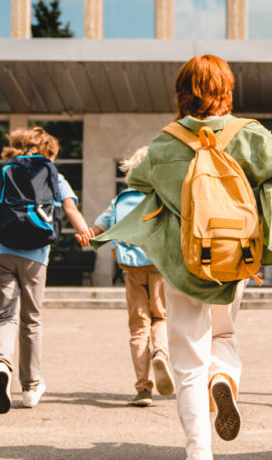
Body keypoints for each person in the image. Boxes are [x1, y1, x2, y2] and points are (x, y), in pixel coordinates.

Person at [91, 54, 272, 460]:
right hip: (235, 255)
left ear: (181, 92)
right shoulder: (249, 134)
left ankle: (198, 451)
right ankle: (222, 377)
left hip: (182, 260)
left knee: (187, 358)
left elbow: (136, 178)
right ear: (226, 90)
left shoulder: (165, 141)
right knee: (224, 334)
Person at [0, 126, 94, 414]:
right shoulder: (55, 176)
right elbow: (70, 209)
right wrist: (85, 234)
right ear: (49, 153)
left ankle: (1, 366)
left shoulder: (6, 172)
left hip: (1, 252)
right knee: (31, 320)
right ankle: (30, 387)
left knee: (4, 316)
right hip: (35, 256)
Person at [85, 146, 175, 407]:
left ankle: (143, 388)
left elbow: (96, 231)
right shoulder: (162, 197)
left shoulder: (120, 200)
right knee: (161, 317)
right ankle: (160, 351)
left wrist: (86, 236)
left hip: (131, 269)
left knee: (138, 327)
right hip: (159, 266)